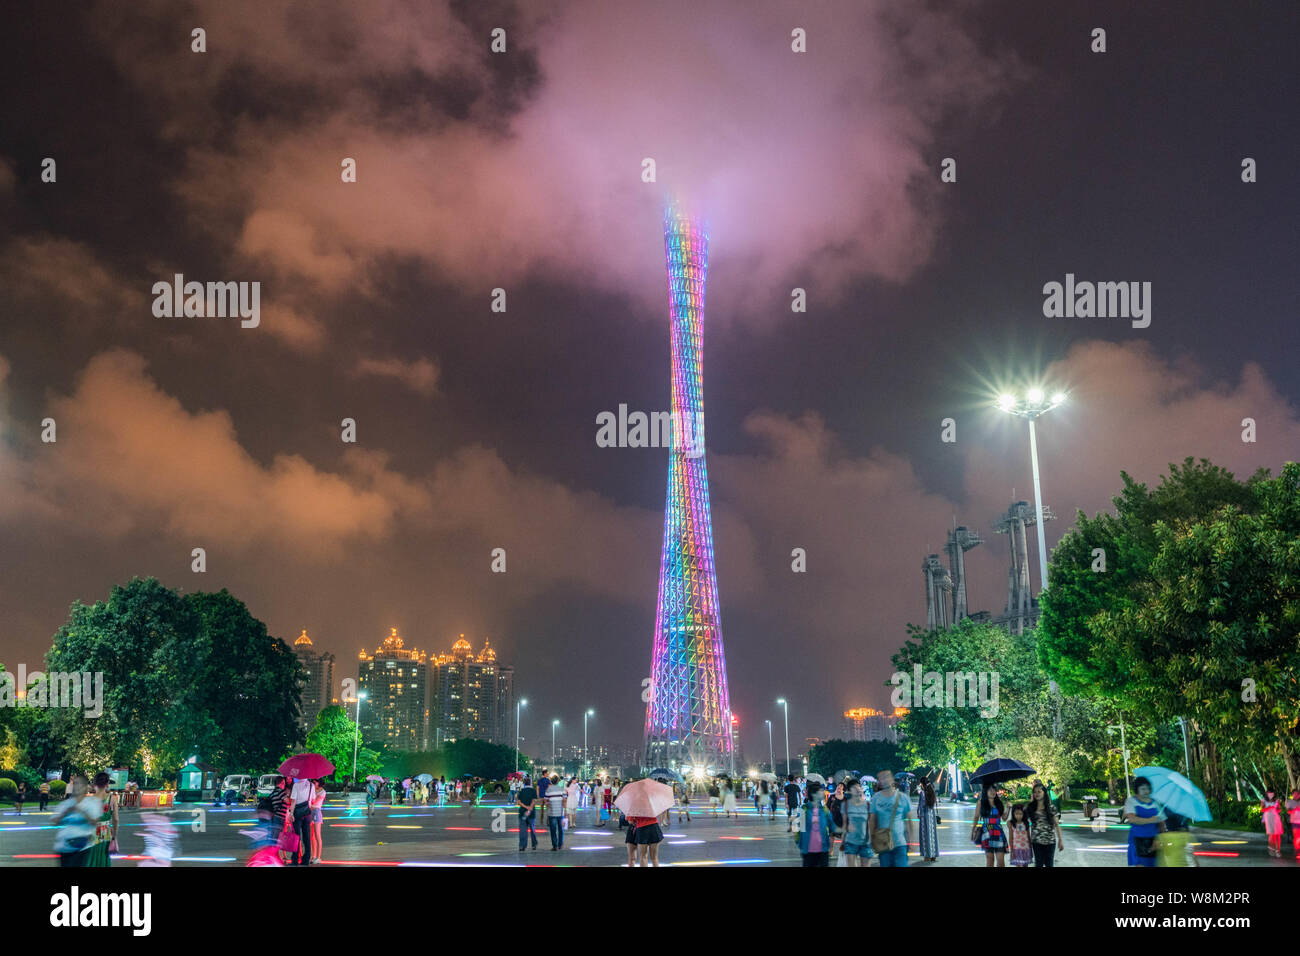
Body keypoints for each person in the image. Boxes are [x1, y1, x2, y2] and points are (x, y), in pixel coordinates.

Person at [51, 774, 98, 866]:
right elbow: (55, 822)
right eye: (75, 784)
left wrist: (82, 812)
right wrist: (66, 812)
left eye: (80, 784)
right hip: (64, 846)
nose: (77, 786)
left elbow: (94, 822)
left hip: (82, 847)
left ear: (86, 787)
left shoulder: (92, 803)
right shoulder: (66, 804)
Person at [868, 769, 912, 867]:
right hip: (883, 844)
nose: (884, 780)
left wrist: (911, 839)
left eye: (886, 777)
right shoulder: (876, 798)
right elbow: (872, 821)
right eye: (881, 778)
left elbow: (909, 821)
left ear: (892, 779)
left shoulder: (903, 797)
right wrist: (870, 838)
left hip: (900, 843)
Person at [1122, 776, 1166, 867]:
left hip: (1153, 841)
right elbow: (1133, 819)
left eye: (1148, 788)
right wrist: (1151, 820)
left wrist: (1159, 839)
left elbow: (1162, 825)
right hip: (1137, 841)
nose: (1146, 791)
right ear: (1137, 789)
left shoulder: (1155, 803)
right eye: (1143, 789)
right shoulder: (1131, 801)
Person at [1026, 780, 1065, 867]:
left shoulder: (1051, 808)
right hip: (1036, 841)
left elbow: (1057, 825)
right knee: (1038, 864)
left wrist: (1060, 840)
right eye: (1035, 792)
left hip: (1050, 841)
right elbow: (1022, 821)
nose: (1037, 794)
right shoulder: (1030, 808)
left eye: (1039, 791)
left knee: (1049, 864)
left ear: (1044, 793)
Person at [85, 772, 119, 867]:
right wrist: (114, 837)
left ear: (94, 784)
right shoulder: (112, 799)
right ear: (107, 783)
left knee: (91, 858)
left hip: (92, 833)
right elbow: (116, 819)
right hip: (106, 833)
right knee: (103, 858)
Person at [795, 780, 832, 866]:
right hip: (808, 850)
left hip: (823, 850)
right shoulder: (804, 809)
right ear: (814, 794)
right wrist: (800, 842)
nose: (823, 792)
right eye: (821, 791)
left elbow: (832, 825)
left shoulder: (824, 810)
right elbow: (796, 827)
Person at [839, 778, 874, 867]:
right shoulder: (845, 805)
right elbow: (844, 824)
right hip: (850, 842)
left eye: (859, 787)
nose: (858, 789)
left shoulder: (868, 805)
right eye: (854, 788)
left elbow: (871, 824)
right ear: (850, 791)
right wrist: (842, 841)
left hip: (865, 842)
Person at [974, 782, 1007, 867]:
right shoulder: (981, 803)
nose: (993, 792)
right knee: (990, 858)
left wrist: (1009, 808)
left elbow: (1004, 818)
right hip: (987, 832)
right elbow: (976, 817)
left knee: (1000, 859)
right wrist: (973, 830)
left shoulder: (999, 803)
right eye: (990, 790)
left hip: (998, 832)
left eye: (994, 790)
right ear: (985, 791)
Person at [287, 774, 315, 865]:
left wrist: (291, 813)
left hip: (297, 814)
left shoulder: (296, 785)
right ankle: (306, 859)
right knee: (306, 837)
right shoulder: (312, 785)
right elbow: (312, 799)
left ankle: (295, 860)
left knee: (296, 837)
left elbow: (294, 801)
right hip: (307, 813)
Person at [916, 778, 940, 862]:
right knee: (932, 835)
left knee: (925, 835)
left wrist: (918, 813)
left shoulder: (922, 793)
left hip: (924, 817)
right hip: (932, 817)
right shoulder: (932, 792)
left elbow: (921, 806)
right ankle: (934, 855)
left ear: (923, 784)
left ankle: (927, 855)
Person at [516, 776, 539, 851]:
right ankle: (534, 844)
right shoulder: (533, 791)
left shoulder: (521, 791)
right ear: (531, 783)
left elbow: (518, 802)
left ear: (524, 783)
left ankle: (522, 846)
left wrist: (525, 807)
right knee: (532, 829)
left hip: (522, 813)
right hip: (531, 813)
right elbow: (534, 800)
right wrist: (530, 808)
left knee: (523, 830)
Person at [1261, 790, 1284, 857]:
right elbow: (1262, 809)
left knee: (1277, 834)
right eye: (1269, 793)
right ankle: (1271, 848)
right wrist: (1269, 808)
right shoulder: (1263, 800)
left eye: (1272, 793)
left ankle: (1277, 850)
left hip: (1276, 817)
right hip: (1268, 818)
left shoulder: (1276, 801)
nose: (1271, 794)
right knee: (1271, 834)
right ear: (1267, 794)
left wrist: (1277, 809)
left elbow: (1279, 809)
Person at [309, 779, 327, 864]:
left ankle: (318, 857)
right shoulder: (312, 790)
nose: (312, 783)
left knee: (317, 835)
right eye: (312, 782)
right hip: (310, 812)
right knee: (311, 836)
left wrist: (309, 801)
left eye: (314, 782)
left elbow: (314, 801)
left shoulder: (322, 792)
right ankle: (313, 855)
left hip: (316, 812)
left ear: (318, 783)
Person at [1287, 790, 1300, 858]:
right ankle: (1297, 851)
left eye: (1297, 794)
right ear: (1292, 794)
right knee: (1296, 836)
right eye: (1294, 794)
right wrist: (1294, 810)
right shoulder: (1290, 802)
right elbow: (1288, 811)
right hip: (1295, 821)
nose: (1296, 795)